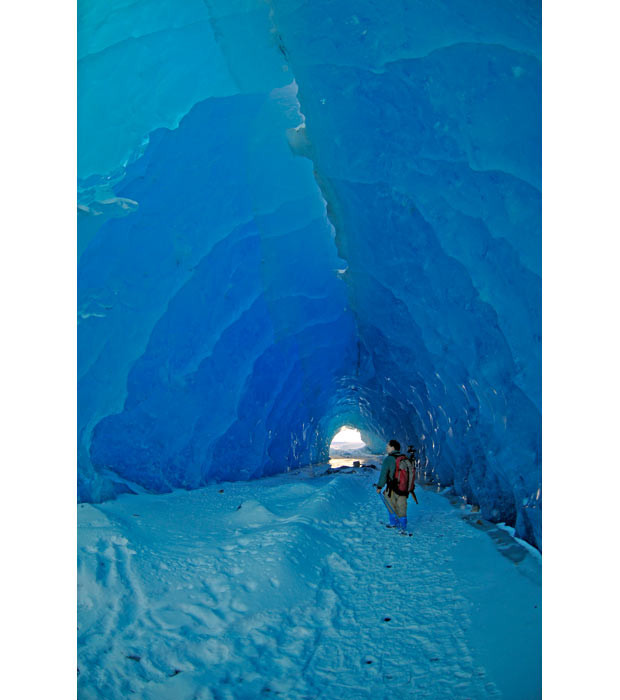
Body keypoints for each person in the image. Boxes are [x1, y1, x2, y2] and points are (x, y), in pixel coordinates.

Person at [376, 439, 409, 531]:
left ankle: (393, 523)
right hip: (404, 487)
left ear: (393, 447)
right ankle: (403, 526)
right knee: (402, 506)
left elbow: (384, 474)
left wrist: (379, 487)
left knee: (390, 504)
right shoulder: (404, 458)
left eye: (388, 446)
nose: (386, 448)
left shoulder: (388, 459)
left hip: (392, 488)